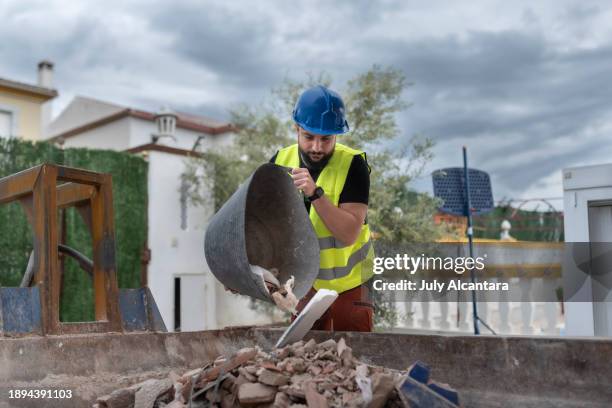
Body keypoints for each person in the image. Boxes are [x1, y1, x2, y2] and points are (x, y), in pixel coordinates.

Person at [270, 85, 375, 332]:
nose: (317, 147)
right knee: (306, 356)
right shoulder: (278, 162)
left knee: (355, 354)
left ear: (336, 136)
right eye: (309, 137)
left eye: (326, 139)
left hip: (351, 284)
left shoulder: (354, 166)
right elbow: (265, 224)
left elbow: (349, 233)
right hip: (305, 283)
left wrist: (315, 194)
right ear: (296, 129)